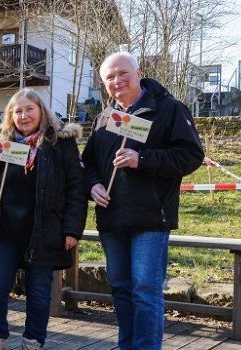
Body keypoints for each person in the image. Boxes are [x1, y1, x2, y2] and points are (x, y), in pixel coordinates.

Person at [82, 52, 204, 350]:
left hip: (151, 216)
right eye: (109, 77)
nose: (117, 81)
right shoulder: (104, 118)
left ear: (139, 73)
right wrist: (93, 185)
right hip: (112, 218)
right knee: (121, 290)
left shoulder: (170, 109)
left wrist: (143, 159)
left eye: (122, 73)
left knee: (146, 290)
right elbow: (88, 164)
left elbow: (191, 155)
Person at [0, 88, 87, 350]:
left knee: (38, 294)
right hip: (3, 232)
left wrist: (73, 229)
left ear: (41, 111)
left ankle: (33, 341)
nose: (23, 116)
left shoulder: (60, 142)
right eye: (17, 110)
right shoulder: (2, 141)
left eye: (29, 109)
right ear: (10, 116)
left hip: (43, 231)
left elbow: (76, 189)